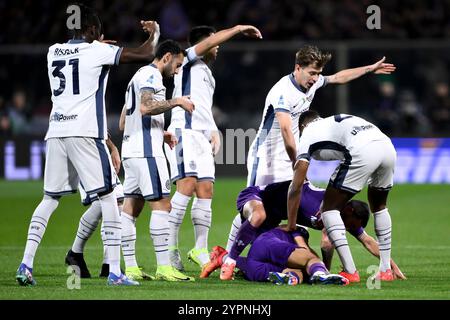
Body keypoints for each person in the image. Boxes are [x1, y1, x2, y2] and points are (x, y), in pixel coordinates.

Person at [16, 4, 160, 287]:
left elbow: (79, 59)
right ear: (93, 31)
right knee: (110, 197)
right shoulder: (97, 51)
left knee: (49, 199)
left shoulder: (53, 51)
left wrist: (95, 47)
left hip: (56, 131)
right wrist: (155, 33)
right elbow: (146, 53)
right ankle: (116, 272)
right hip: (84, 133)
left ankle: (26, 264)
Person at [223, 46, 396, 280]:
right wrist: (298, 163)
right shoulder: (282, 91)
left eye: (318, 74)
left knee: (286, 206)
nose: (315, 79)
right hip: (267, 158)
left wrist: (369, 69)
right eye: (312, 73)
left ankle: (264, 256)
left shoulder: (311, 83)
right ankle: (228, 257)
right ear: (298, 68)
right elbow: (285, 130)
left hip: (294, 154)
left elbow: (337, 78)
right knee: (256, 211)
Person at [164, 24, 262, 273]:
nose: (217, 46)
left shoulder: (207, 73)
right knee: (186, 186)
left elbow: (203, 107)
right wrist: (239, 29)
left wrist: (213, 130)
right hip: (184, 132)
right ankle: (169, 250)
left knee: (206, 189)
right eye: (213, 42)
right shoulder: (186, 60)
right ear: (202, 43)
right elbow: (212, 41)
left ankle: (199, 248)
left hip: (201, 136)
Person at [202, 180, 405, 280]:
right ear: (349, 210)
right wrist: (323, 270)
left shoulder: (343, 215)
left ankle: (225, 258)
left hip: (276, 215)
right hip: (257, 196)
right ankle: (227, 257)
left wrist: (389, 265)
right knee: (257, 216)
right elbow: (326, 243)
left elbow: (367, 240)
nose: (350, 229)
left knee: (263, 256)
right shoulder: (329, 206)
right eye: (352, 224)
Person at [285, 110, 397, 283]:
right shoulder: (331, 122)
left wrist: (291, 222)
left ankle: (350, 271)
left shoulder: (307, 132)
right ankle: (385, 271)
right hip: (387, 146)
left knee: (329, 210)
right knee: (380, 207)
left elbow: (297, 183)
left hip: (362, 150)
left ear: (302, 126)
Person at [119, 39, 195, 282]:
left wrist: (159, 133)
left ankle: (130, 267)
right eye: (178, 64)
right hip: (146, 153)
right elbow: (145, 107)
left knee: (130, 209)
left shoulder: (136, 77)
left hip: (130, 150)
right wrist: (177, 101)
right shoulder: (152, 75)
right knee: (164, 204)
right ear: (166, 57)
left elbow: (124, 121)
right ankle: (164, 267)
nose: (178, 69)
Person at [204, 227, 349, 286]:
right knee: (310, 260)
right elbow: (305, 251)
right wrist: (322, 266)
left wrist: (222, 258)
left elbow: (240, 262)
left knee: (297, 271)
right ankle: (320, 274)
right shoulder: (297, 230)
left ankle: (289, 278)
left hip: (254, 265)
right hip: (268, 244)